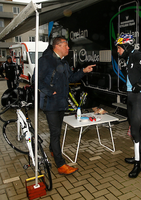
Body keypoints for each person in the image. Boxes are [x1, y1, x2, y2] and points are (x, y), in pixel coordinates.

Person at [38, 36, 95, 175]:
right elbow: (37, 81)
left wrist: (83, 71)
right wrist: (52, 91)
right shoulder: (45, 60)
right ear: (58, 46)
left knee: (57, 131)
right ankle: (60, 164)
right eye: (66, 45)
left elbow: (71, 78)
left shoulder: (63, 62)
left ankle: (53, 150)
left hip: (61, 103)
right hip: (50, 103)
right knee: (56, 132)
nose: (68, 48)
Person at [115, 34, 141, 178]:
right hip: (131, 95)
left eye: (119, 48)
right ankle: (139, 155)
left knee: (134, 130)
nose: (118, 51)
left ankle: (137, 165)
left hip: (139, 97)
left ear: (126, 46)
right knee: (135, 127)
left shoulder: (137, 55)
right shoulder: (130, 58)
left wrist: (140, 82)